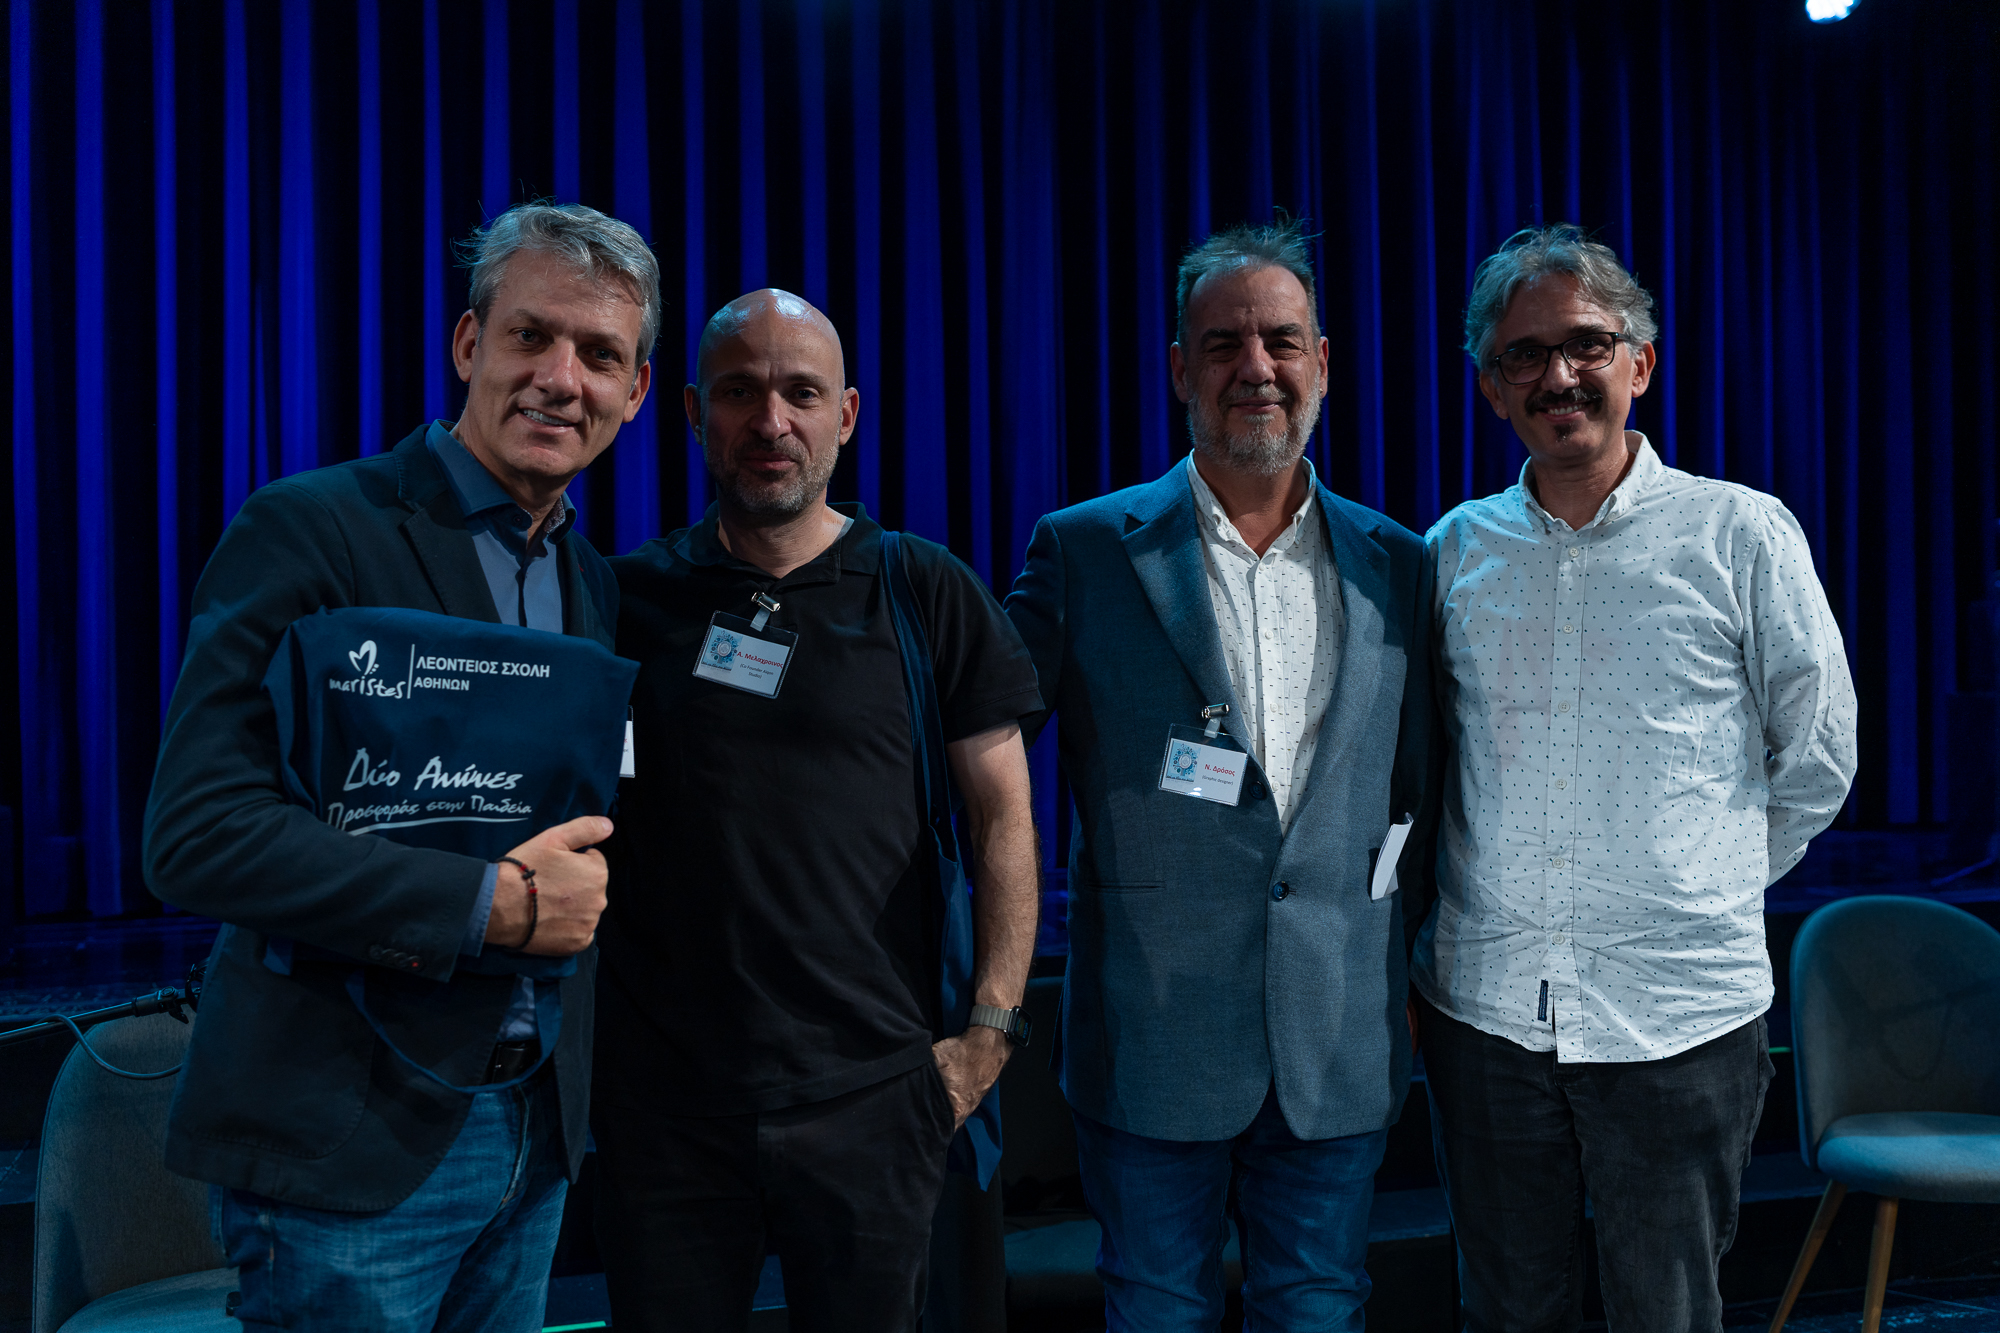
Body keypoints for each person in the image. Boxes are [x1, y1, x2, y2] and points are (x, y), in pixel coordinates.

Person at [142, 202, 657, 1332]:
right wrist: (491, 906)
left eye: (600, 354)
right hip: (348, 1141)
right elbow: (199, 832)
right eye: (530, 336)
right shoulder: (312, 528)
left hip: (532, 1135)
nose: (561, 378)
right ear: (470, 345)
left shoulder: (590, 582)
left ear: (635, 392)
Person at [1413, 223, 1860, 1332]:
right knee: (1507, 1313)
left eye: (1586, 344)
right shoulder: (1452, 552)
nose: (1558, 375)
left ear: (1640, 364)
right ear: (1490, 388)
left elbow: (1818, 753)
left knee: (1667, 1313)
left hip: (1677, 1015)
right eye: (1524, 354)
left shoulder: (1738, 533)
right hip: (1486, 1011)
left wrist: (1703, 881)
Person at [1002, 218, 1438, 1331]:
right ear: (1178, 369)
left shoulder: (1400, 562)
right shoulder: (1083, 549)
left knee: (1320, 1312)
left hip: (1337, 1035)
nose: (1256, 367)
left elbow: (1423, 792)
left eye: (1281, 341)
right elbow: (986, 749)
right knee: (1154, 1313)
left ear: (1322, 363)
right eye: (1223, 343)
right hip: (1150, 1035)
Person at [592, 289, 1044, 1333]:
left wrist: (987, 1036)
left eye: (800, 393)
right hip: (668, 1115)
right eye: (739, 393)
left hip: (875, 1100)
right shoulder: (623, 601)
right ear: (692, 411)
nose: (771, 421)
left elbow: (1005, 821)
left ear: (846, 414)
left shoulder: (924, 589)